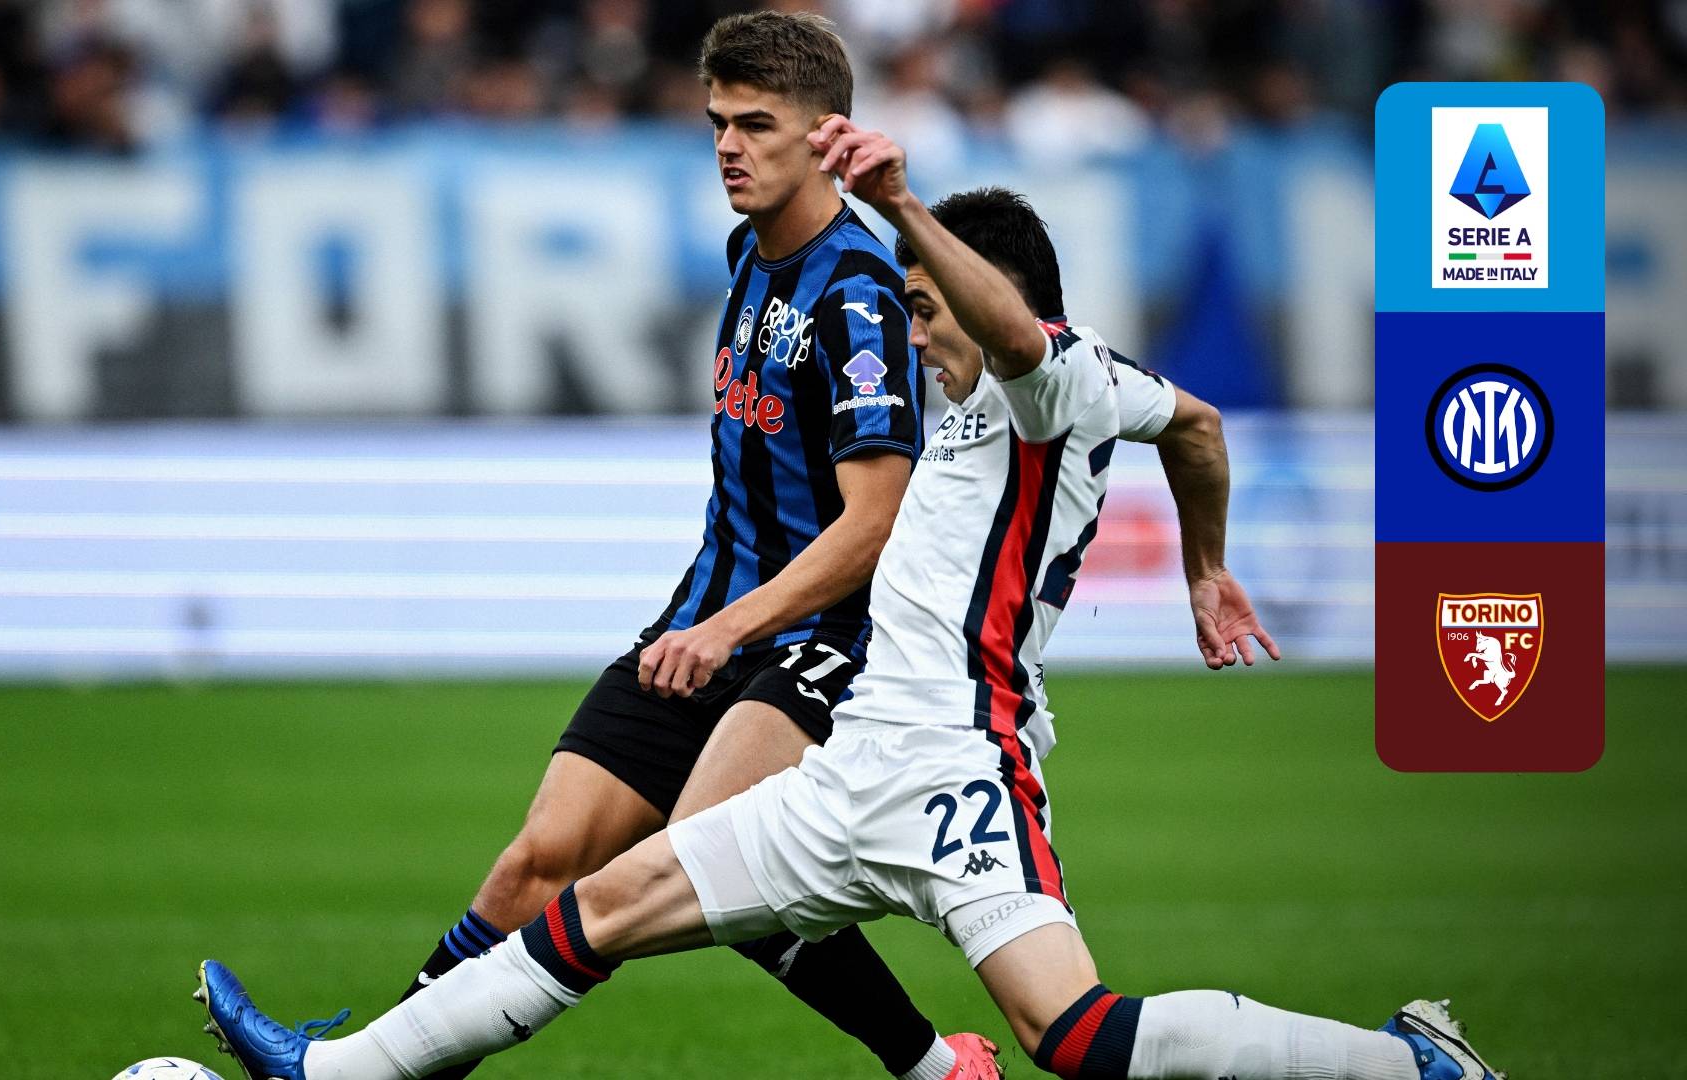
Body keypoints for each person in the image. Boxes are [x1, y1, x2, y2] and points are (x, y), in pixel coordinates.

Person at [195, 115, 1503, 1080]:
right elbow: (1203, 426)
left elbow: (1021, 339)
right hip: (852, 763)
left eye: (927, 310)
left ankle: (1404, 1065)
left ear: (990, 298)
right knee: (605, 905)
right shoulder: (1075, 383)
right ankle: (337, 1073)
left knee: (1076, 1038)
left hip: (963, 767)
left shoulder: (1046, 379)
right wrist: (1207, 572)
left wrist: (903, 206)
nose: (915, 334)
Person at [379, 11, 996, 1080]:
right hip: (704, 617)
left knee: (705, 865)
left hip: (815, 642)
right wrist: (706, 626)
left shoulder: (858, 295)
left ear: (827, 138)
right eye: (717, 123)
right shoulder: (751, 253)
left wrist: (727, 633)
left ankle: (936, 1068)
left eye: (756, 125)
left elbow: (876, 522)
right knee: (535, 864)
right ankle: (368, 1068)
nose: (728, 147)